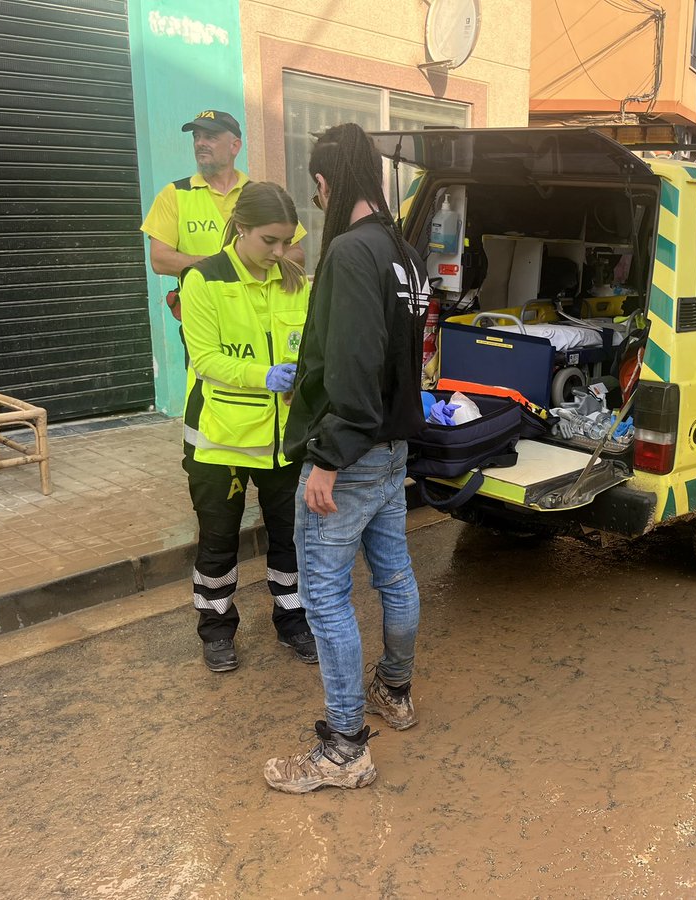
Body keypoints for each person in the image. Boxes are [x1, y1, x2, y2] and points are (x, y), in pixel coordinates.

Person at [264, 123, 430, 794]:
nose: (315, 200)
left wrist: (327, 458)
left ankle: (344, 746)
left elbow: (356, 364)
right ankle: (395, 690)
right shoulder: (403, 252)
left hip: (352, 452)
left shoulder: (351, 253)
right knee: (393, 576)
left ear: (329, 183)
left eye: (316, 188)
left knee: (326, 595)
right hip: (391, 450)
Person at [178, 182, 317, 672]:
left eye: (287, 241)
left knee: (291, 539)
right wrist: (264, 376)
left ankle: (293, 620)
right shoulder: (204, 280)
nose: (280, 253)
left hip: (285, 441)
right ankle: (216, 630)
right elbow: (206, 359)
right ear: (241, 229)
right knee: (218, 539)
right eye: (270, 242)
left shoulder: (296, 280)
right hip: (223, 442)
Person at [140, 110, 305, 340]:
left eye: (211, 137)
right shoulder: (174, 194)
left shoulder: (260, 195)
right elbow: (159, 260)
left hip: (261, 321)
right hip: (205, 322)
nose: (200, 143)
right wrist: (225, 265)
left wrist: (252, 261)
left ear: (235, 146)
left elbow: (296, 254)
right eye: (197, 137)